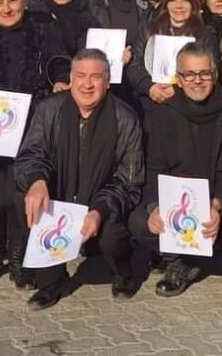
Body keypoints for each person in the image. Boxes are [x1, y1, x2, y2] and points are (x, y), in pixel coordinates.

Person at [128, 44, 222, 317]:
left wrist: (218, 203)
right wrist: (156, 204)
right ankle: (181, 261)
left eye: (204, 73)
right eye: (189, 74)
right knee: (139, 220)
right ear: (178, 78)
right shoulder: (165, 112)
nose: (197, 81)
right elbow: (156, 165)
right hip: (185, 195)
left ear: (214, 75)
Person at [16, 49, 145, 310]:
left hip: (102, 201)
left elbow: (129, 181)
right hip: (60, 196)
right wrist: (37, 180)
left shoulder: (125, 118)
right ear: (71, 79)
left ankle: (124, 273)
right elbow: (30, 154)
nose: (87, 84)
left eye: (96, 77)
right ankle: (51, 279)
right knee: (24, 198)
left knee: (112, 234)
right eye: (81, 76)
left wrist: (100, 210)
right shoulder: (48, 110)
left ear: (107, 82)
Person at [0, 0, 70, 289]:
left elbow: (60, 62)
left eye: (12, 0)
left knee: (18, 197)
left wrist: (60, 80)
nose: (6, 8)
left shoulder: (44, 31)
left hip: (31, 127)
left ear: (24, 1)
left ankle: (17, 257)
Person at [126, 0, 219, 107]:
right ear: (166, 5)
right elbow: (135, 66)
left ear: (193, 5)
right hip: (151, 103)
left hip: (189, 105)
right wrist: (150, 87)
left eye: (185, 0)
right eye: (173, 0)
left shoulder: (206, 34)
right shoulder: (149, 29)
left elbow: (213, 70)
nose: (178, 6)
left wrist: (177, 91)